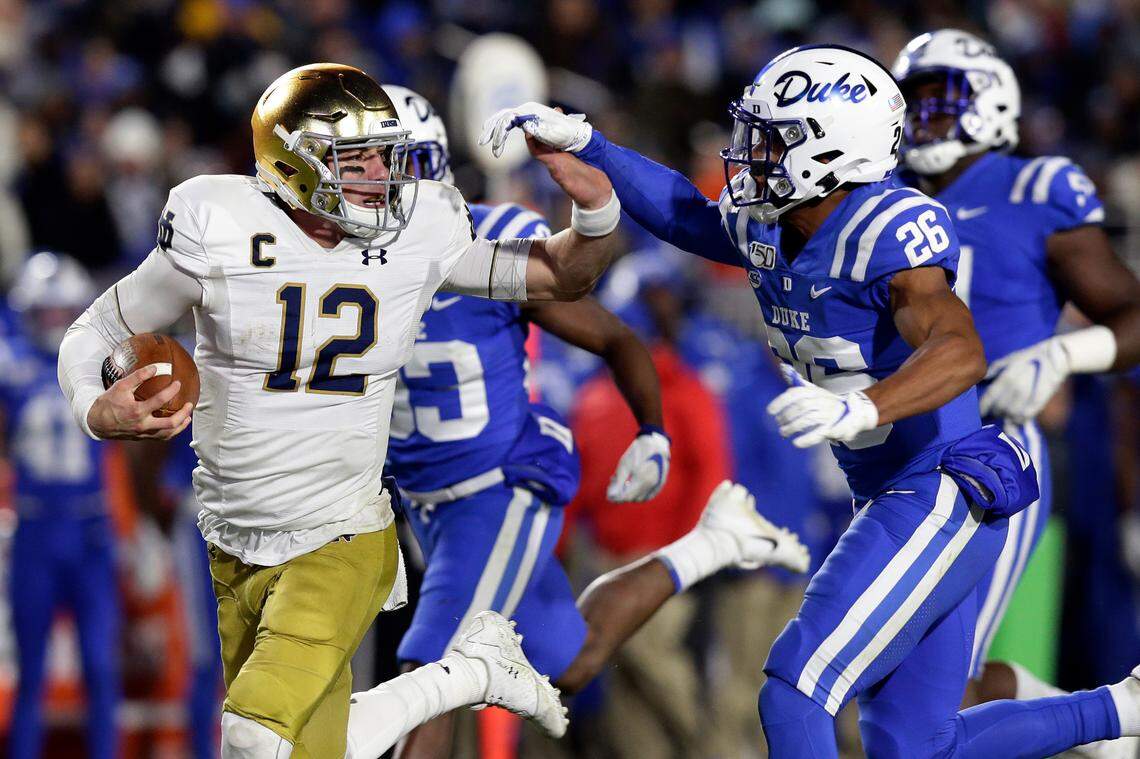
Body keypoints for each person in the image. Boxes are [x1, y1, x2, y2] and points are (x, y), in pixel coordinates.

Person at [482, 43, 1140, 759]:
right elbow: (683, 215)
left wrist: (863, 408)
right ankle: (1121, 706)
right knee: (915, 741)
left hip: (941, 486)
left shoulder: (884, 227)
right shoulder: (773, 221)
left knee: (795, 688)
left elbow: (960, 348)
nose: (749, 155)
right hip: (888, 488)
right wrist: (592, 146)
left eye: (772, 141)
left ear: (834, 150)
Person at [56, 62, 626, 759]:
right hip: (233, 541)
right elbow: (93, 330)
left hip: (341, 537)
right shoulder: (219, 225)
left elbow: (561, 274)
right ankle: (472, 670)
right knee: (316, 748)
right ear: (292, 162)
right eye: (353, 158)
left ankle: (461, 672)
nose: (379, 174)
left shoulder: (421, 226)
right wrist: (94, 407)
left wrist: (595, 213)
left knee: (251, 735)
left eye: (384, 154)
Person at [346, 85, 810, 759]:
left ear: (424, 166)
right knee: (573, 660)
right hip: (424, 501)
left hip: (493, 487)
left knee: (431, 676)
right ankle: (712, 543)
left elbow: (608, 324)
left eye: (380, 162)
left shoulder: (477, 244)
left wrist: (652, 427)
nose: (364, 183)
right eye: (352, 164)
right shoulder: (332, 262)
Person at [891, 30, 1140, 758]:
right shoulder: (880, 201)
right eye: (915, 101)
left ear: (991, 100)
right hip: (897, 457)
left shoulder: (1032, 189)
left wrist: (1062, 353)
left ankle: (1102, 723)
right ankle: (1101, 725)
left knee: (930, 698)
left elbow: (1131, 311)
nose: (926, 117)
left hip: (990, 452)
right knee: (892, 680)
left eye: (943, 97)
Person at [3, 253, 120, 759]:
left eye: (61, 312)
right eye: (44, 312)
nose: (52, 322)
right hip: (32, 527)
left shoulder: (100, 364)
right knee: (32, 674)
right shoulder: (11, 365)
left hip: (91, 528)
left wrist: (133, 531)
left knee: (100, 665)